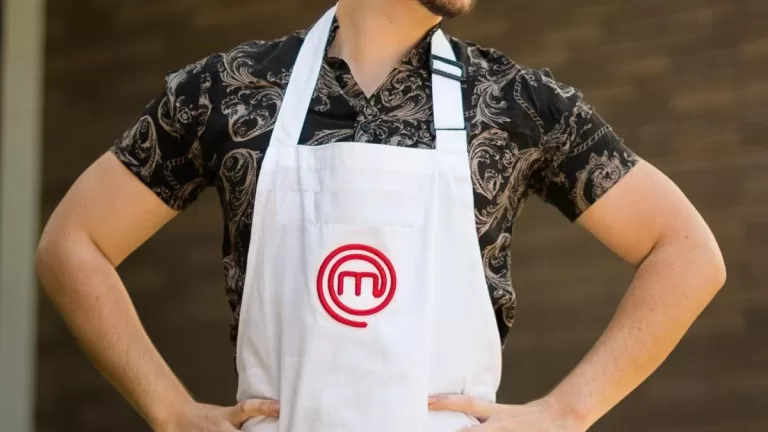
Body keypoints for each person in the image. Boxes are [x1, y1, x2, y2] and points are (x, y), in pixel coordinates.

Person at [35, 0, 726, 431]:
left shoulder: (517, 102)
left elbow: (686, 252)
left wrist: (566, 413)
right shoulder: (228, 92)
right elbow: (72, 243)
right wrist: (169, 410)